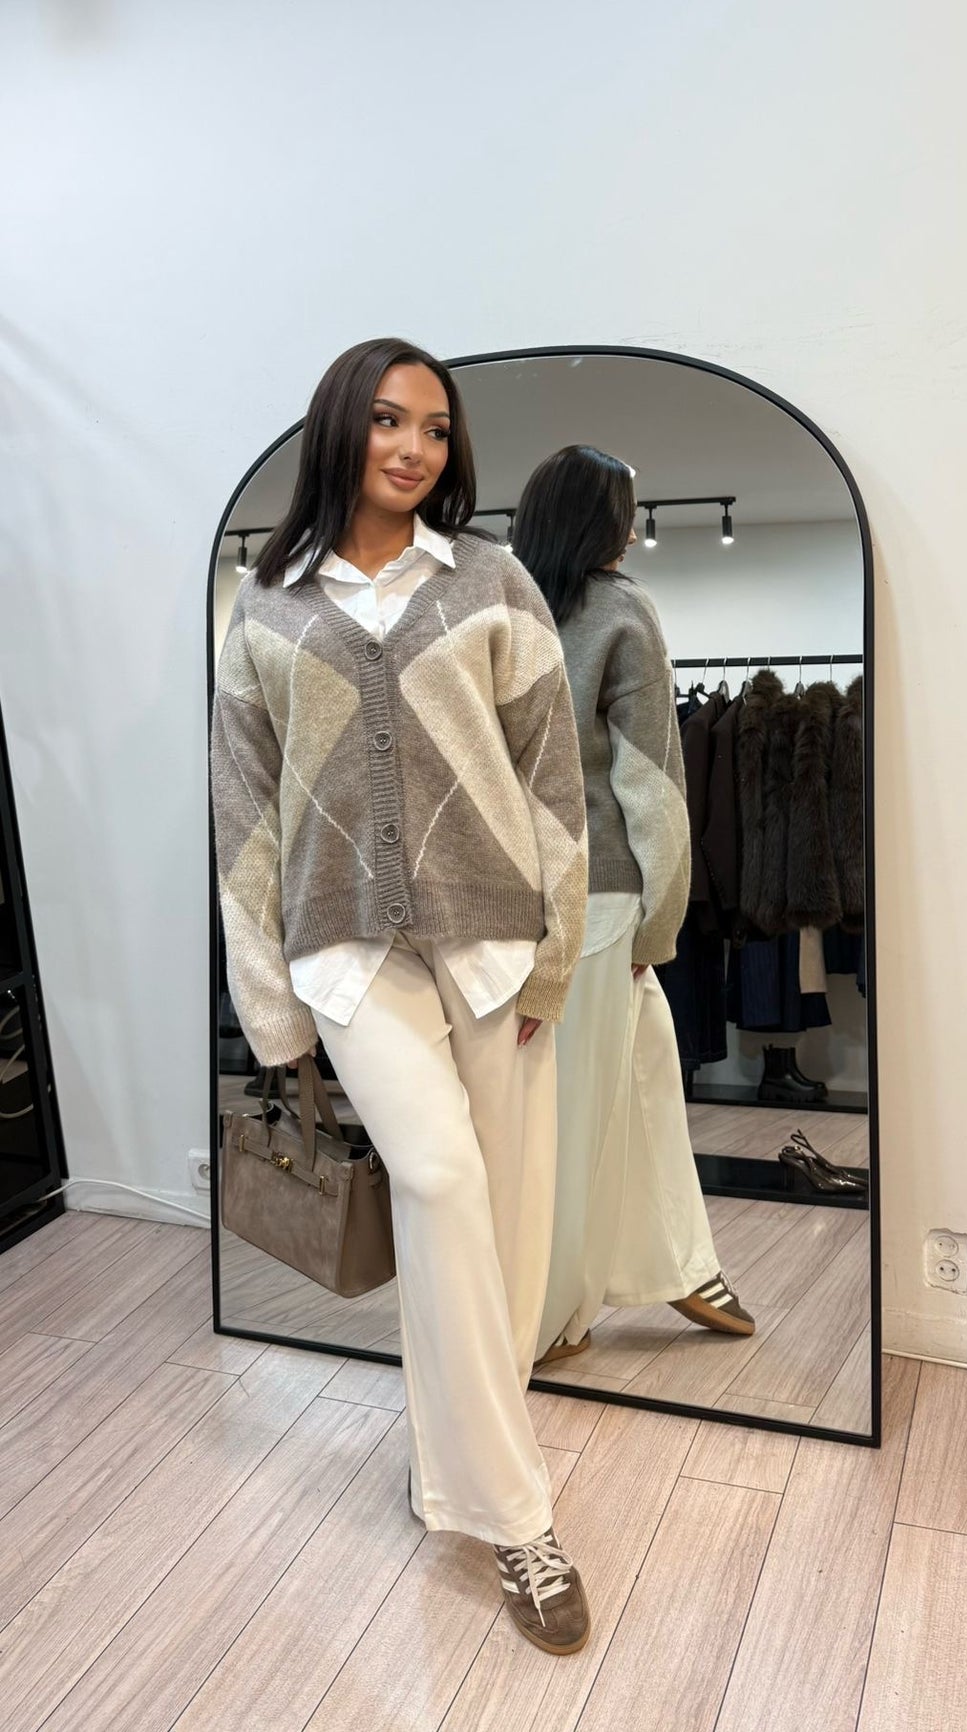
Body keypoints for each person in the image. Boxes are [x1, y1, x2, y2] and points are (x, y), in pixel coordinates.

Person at [211, 339, 592, 1655]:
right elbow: (244, 820)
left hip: (494, 944)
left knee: (501, 1229)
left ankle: (456, 1458)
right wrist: (270, 1009)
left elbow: (553, 781)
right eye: (386, 420)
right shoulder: (266, 611)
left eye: (434, 427)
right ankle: (520, 1520)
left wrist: (555, 952)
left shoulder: (492, 583)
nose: (413, 447)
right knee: (437, 1179)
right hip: (346, 954)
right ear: (340, 430)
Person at [511, 445, 755, 1367]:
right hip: (600, 891)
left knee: (641, 1069)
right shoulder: (621, 611)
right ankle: (554, 1314)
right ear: (603, 520)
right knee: (573, 1110)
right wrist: (663, 921)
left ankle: (681, 1260)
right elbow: (651, 782)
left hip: (510, 893)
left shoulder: (501, 605)